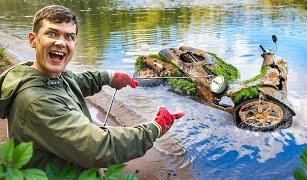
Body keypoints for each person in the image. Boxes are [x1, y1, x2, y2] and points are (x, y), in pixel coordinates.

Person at [0, 5, 184, 170]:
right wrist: (155, 129)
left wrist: (109, 77)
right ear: (33, 40)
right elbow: (98, 147)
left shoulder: (40, 74)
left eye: (69, 37)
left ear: (74, 43)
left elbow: (74, 82)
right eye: (52, 33)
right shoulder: (38, 101)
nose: (61, 42)